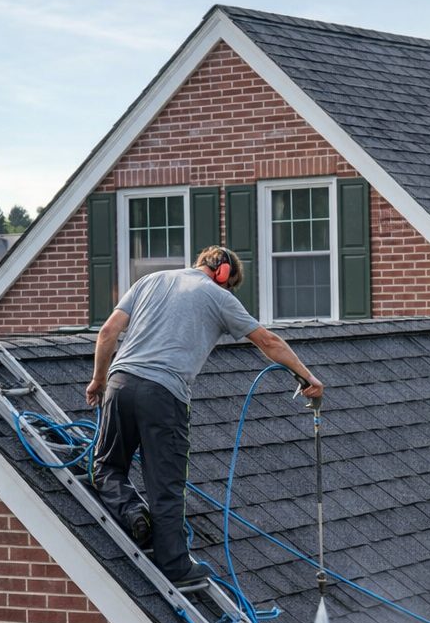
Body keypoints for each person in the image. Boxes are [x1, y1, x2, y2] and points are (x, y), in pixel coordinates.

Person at [85, 245, 324, 586]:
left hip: (119, 385)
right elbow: (269, 342)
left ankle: (133, 512)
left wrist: (98, 380)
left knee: (106, 466)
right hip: (164, 395)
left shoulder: (150, 280)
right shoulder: (219, 297)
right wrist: (308, 377)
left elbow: (108, 332)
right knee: (165, 484)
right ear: (224, 273)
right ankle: (175, 567)